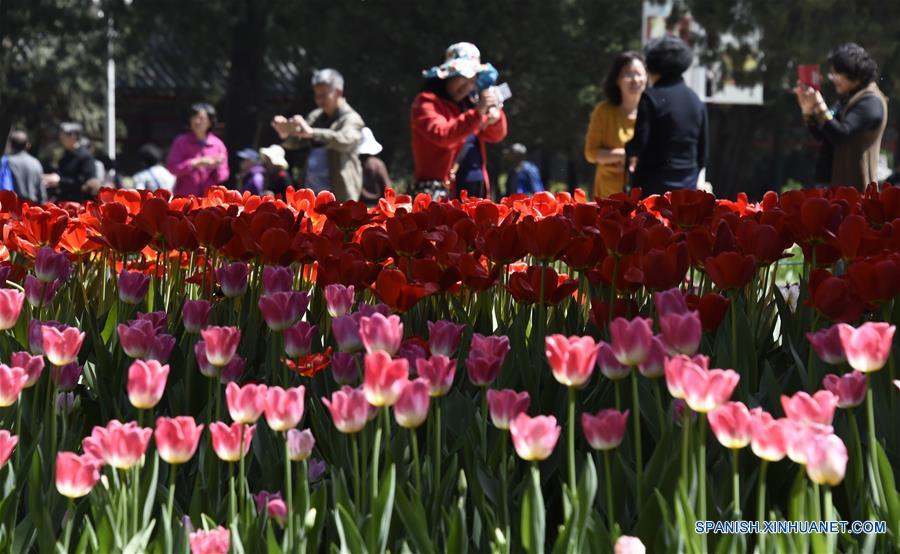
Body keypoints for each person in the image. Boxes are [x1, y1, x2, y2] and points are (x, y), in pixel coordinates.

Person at [411, 42, 507, 200]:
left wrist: (495, 119)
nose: (467, 87)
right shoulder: (426, 102)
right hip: (443, 193)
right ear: (448, 76)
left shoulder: (469, 105)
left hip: (476, 190)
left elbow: (496, 135)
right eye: (463, 79)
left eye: (472, 82)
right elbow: (442, 135)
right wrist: (477, 114)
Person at [795, 43, 887, 189]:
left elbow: (842, 135)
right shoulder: (848, 99)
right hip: (832, 186)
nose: (833, 79)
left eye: (836, 74)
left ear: (852, 72)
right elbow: (823, 135)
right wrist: (808, 111)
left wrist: (819, 106)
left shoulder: (871, 101)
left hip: (854, 190)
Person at [625, 37, 707, 197]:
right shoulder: (696, 100)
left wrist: (628, 148)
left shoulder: (650, 97)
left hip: (653, 188)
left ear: (652, 66)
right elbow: (703, 153)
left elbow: (639, 144)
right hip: (686, 188)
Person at [271, 68, 364, 201]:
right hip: (311, 195)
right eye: (317, 95)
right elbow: (296, 142)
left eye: (324, 95)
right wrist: (285, 132)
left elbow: (347, 141)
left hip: (339, 197)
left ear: (338, 92)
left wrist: (313, 133)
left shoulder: (352, 118)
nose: (319, 100)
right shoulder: (315, 116)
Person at [585, 52, 647, 198]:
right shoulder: (603, 111)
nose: (635, 80)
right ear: (616, 79)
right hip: (607, 196)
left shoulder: (654, 112)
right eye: (628, 74)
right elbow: (591, 153)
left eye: (639, 74)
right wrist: (623, 156)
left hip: (643, 194)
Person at [166, 102, 229, 197]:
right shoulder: (181, 142)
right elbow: (172, 168)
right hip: (185, 198)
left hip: (209, 198)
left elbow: (224, 175)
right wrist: (195, 163)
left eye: (201, 118)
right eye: (194, 117)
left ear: (210, 121)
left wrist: (216, 167)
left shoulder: (218, 145)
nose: (197, 121)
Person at [43, 122, 98, 202]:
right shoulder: (66, 156)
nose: (61, 139)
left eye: (63, 136)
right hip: (64, 201)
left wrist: (60, 181)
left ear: (73, 136)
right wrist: (52, 178)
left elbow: (85, 182)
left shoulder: (86, 157)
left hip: (79, 203)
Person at [4, 130, 47, 203]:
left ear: (10, 145)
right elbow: (42, 194)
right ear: (27, 145)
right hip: (31, 207)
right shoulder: (36, 163)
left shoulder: (6, 162)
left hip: (11, 206)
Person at [358, 127, 391, 206]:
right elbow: (387, 188)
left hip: (359, 206)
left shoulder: (354, 164)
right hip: (376, 206)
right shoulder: (377, 164)